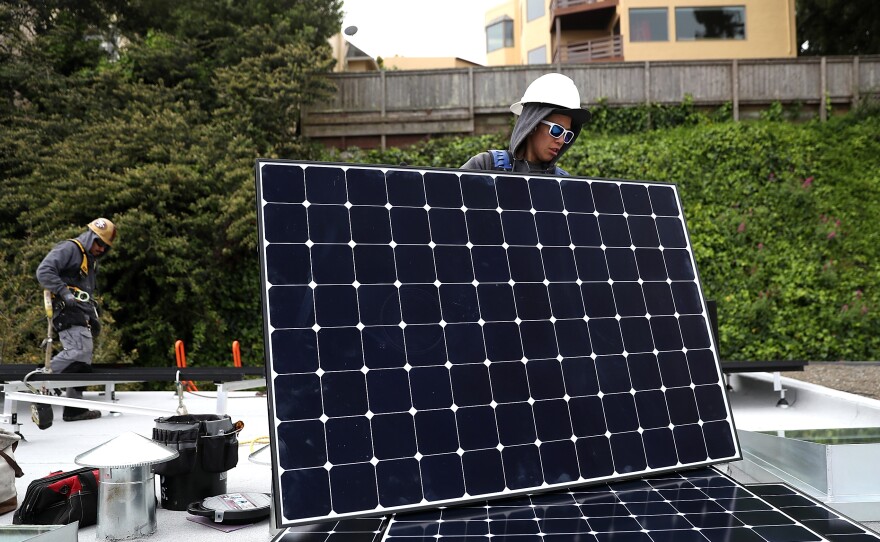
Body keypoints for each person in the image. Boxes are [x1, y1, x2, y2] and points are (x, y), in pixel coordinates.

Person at [36, 218, 118, 423]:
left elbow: (84, 292)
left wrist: (92, 314)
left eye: (104, 247)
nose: (100, 249)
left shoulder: (89, 260)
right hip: (66, 310)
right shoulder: (70, 248)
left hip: (80, 312)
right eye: (99, 243)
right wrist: (64, 292)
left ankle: (74, 409)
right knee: (78, 351)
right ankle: (36, 382)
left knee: (82, 360)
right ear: (91, 237)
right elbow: (44, 271)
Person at [461, 72, 590, 175]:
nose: (561, 141)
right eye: (557, 130)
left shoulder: (564, 184)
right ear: (533, 125)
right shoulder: (485, 165)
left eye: (567, 135)